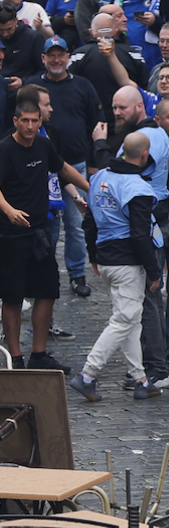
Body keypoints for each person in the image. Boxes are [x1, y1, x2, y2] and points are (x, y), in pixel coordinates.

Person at [66, 131, 158, 402]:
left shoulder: (99, 178)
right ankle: (88, 375)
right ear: (145, 154)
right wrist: (154, 271)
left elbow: (90, 221)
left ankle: (140, 379)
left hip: (106, 260)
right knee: (123, 320)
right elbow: (141, 235)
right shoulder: (137, 188)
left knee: (130, 320)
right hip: (127, 262)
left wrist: (93, 255)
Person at [0, 98, 90, 372]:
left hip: (40, 231)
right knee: (12, 296)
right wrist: (8, 210)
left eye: (34, 121)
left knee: (48, 290)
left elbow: (63, 168)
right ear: (15, 121)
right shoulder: (5, 149)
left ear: (40, 122)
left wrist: (92, 189)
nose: (29, 126)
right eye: (24, 121)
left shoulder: (43, 144)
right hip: (10, 235)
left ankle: (38, 354)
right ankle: (16, 358)